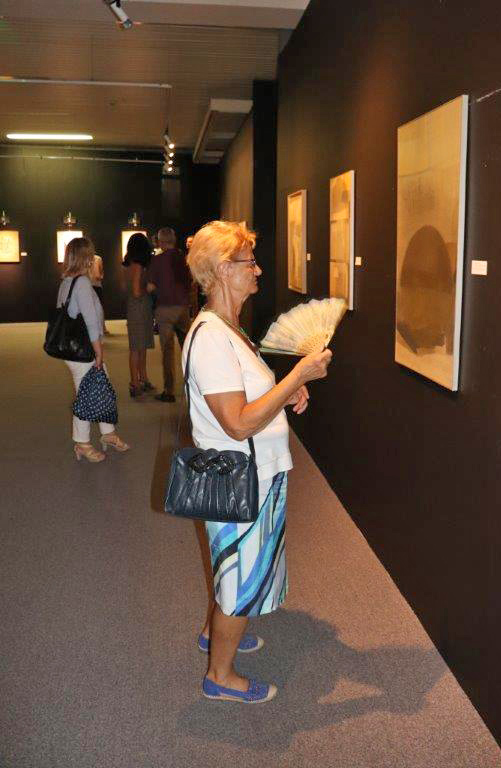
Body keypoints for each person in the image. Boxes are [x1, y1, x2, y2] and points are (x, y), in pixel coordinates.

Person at [184, 220, 332, 703]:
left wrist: (284, 393)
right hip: (241, 478)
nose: (258, 270)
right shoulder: (212, 338)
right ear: (223, 270)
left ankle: (215, 634)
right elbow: (237, 423)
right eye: (250, 262)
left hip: (253, 473)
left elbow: (244, 396)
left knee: (234, 566)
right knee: (240, 580)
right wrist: (296, 377)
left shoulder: (228, 328)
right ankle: (219, 676)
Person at [57, 237, 130, 462]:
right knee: (86, 395)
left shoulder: (67, 281)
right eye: (90, 255)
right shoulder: (81, 283)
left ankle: (108, 433)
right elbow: (90, 321)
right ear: (86, 258)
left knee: (101, 387)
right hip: (83, 350)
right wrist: (98, 351)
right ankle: (82, 443)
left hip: (73, 348)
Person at [147, 227, 192, 403]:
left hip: (165, 309)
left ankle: (169, 390)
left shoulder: (157, 260)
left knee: (168, 351)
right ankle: (195, 386)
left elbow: (150, 286)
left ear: (160, 241)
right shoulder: (183, 259)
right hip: (183, 308)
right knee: (188, 349)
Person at [122, 233, 155, 398]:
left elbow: (128, 289)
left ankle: (143, 378)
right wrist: (148, 289)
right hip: (139, 308)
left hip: (136, 308)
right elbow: (136, 292)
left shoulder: (128, 265)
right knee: (136, 347)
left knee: (141, 346)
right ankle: (135, 382)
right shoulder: (137, 265)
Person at [88, 252, 109, 335]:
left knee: (89, 307)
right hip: (96, 285)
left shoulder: (83, 258)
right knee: (99, 307)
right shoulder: (98, 258)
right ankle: (102, 327)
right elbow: (98, 274)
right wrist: (101, 276)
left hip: (87, 285)